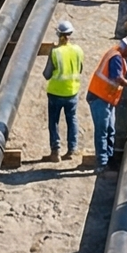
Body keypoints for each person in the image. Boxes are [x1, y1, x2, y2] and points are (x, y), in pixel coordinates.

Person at [87, 34, 127, 170]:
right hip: (99, 97)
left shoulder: (118, 55)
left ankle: (110, 159)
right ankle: (102, 163)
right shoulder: (116, 57)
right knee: (102, 131)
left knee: (110, 130)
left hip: (107, 99)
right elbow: (118, 78)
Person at [44, 20, 84, 162]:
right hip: (72, 92)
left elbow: (47, 74)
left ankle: (55, 152)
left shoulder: (55, 52)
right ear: (70, 34)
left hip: (55, 92)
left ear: (58, 34)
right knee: (72, 120)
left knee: (53, 121)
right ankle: (72, 150)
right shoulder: (78, 50)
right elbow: (80, 69)